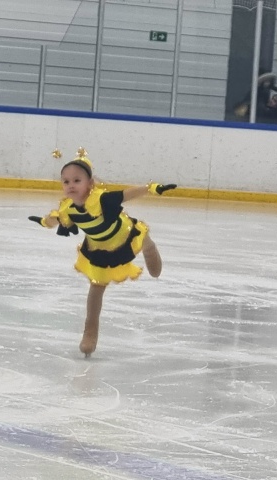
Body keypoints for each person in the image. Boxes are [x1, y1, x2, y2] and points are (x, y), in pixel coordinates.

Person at [28, 148, 176, 357]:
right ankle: (89, 333)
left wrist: (151, 188)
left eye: (77, 180)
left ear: (89, 183)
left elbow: (127, 194)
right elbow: (55, 220)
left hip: (124, 235)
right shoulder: (68, 209)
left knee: (144, 241)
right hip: (99, 248)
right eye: (66, 181)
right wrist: (44, 222)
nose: (71, 185)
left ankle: (150, 249)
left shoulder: (101, 200)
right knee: (96, 287)